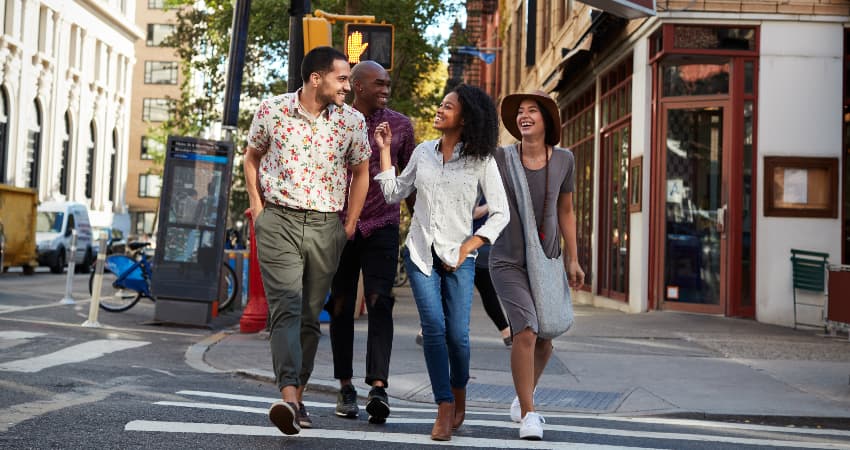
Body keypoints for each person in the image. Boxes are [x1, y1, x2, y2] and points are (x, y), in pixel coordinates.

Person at [243, 46, 372, 436]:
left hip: (325, 226)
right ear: (316, 78)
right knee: (285, 306)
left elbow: (362, 171)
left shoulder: (351, 121)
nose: (348, 86)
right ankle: (290, 398)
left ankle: (296, 391)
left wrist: (349, 223)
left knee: (310, 315)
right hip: (278, 219)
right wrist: (257, 207)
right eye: (342, 78)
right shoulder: (271, 110)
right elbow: (251, 157)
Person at [373, 84, 509, 441]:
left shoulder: (481, 160)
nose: (439, 110)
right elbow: (393, 193)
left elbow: (500, 213)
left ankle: (459, 390)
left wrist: (470, 247)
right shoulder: (422, 152)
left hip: (459, 257)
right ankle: (444, 404)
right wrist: (386, 152)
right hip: (420, 252)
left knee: (458, 338)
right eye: (441, 104)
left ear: (465, 118)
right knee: (433, 329)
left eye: (447, 107)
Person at [325, 60, 416, 424]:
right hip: (339, 225)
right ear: (358, 86)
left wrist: (423, 226)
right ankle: (345, 387)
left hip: (382, 225)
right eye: (378, 83)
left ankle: (378, 387)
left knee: (381, 302)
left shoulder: (401, 126)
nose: (385, 88)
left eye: (387, 83)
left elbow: (410, 181)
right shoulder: (334, 122)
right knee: (342, 305)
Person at [490, 90, 585, 440]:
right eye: (520, 112)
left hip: (546, 260)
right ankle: (530, 414)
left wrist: (573, 259)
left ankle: (521, 397)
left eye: (532, 111)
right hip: (507, 260)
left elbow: (566, 211)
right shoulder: (500, 158)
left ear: (547, 119)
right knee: (526, 331)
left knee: (545, 340)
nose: (524, 115)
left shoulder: (564, 160)